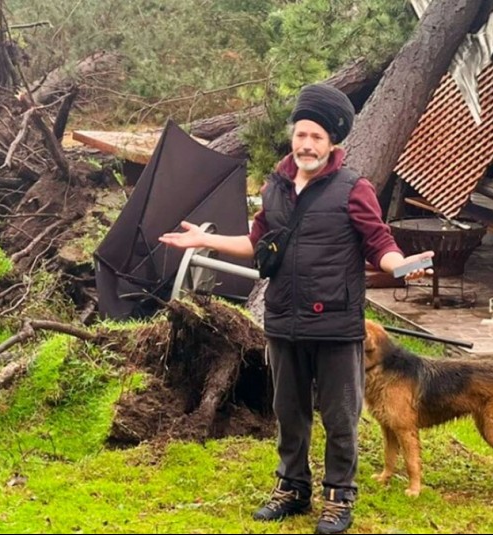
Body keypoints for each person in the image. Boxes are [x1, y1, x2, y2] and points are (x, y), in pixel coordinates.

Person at [159, 83, 432, 534]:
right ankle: (292, 488)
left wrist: (400, 265)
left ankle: (338, 498)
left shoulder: (353, 188)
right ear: (294, 136)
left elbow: (378, 242)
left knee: (341, 417)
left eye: (317, 138)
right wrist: (204, 239)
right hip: (284, 320)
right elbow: (257, 245)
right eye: (301, 135)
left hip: (337, 325)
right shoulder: (276, 187)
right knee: (289, 414)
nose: (306, 144)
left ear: (332, 143)